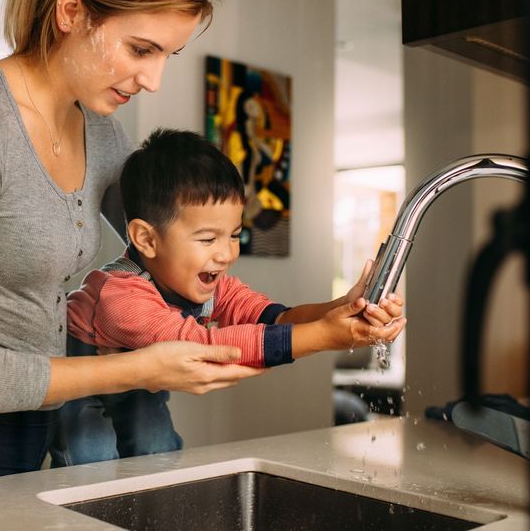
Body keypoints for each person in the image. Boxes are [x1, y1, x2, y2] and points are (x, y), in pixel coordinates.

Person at [0, 0, 266, 486]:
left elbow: (179, 248)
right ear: (70, 11)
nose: (154, 81)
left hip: (29, 431)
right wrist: (131, 370)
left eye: (167, 54)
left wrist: (317, 318)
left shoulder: (102, 132)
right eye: (141, 49)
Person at [53, 128, 406, 466]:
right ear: (146, 239)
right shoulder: (121, 296)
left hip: (143, 376)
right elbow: (201, 346)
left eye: (234, 235)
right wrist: (325, 336)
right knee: (90, 458)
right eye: (208, 239)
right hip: (81, 382)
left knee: (157, 451)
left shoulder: (211, 284)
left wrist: (343, 307)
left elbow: (275, 318)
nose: (226, 254)